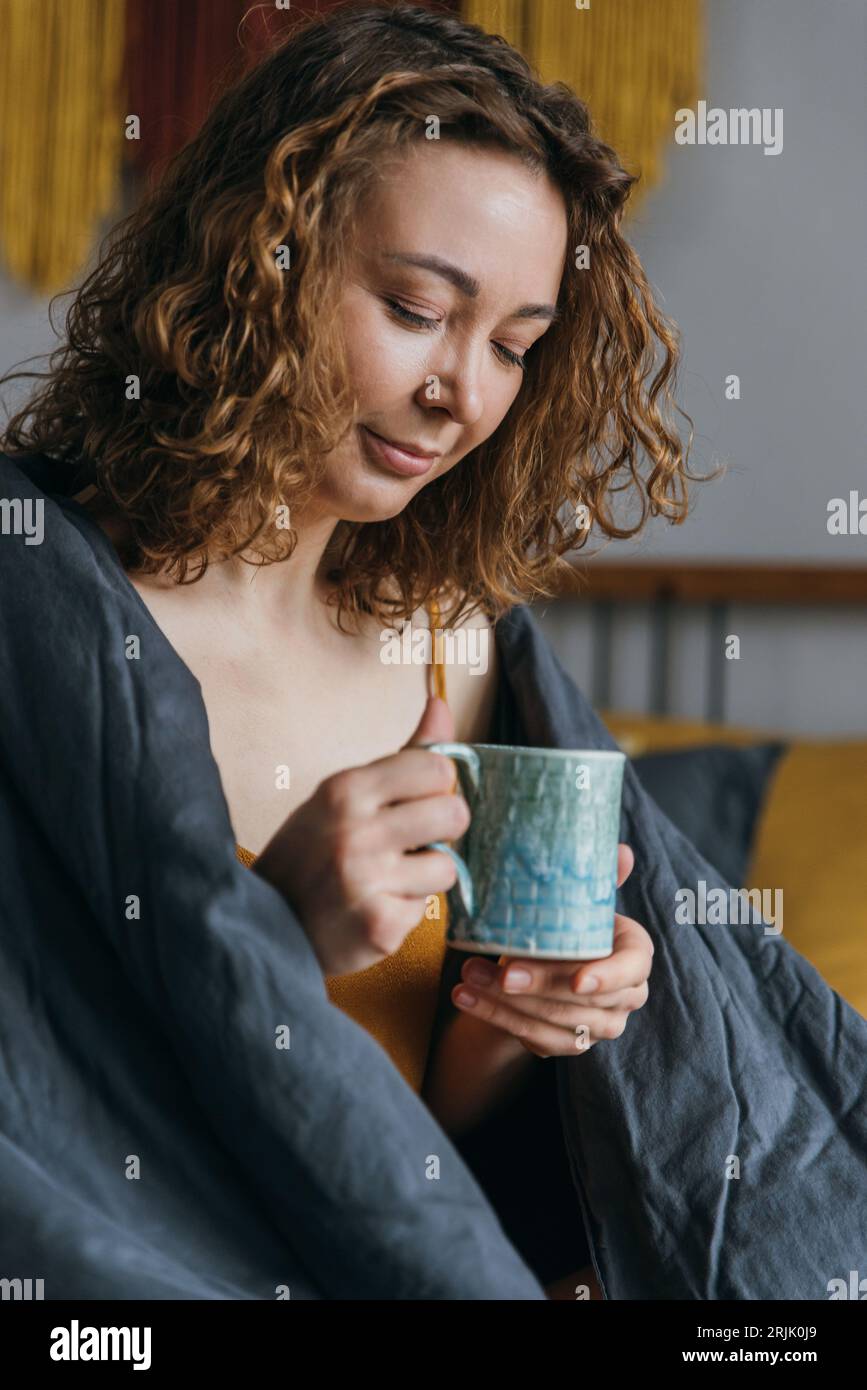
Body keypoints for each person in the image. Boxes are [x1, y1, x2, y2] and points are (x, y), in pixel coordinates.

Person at [0, 2, 696, 1298]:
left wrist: (522, 1010)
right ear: (255, 258)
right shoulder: (39, 624)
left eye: (514, 347)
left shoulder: (456, 648)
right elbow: (48, 1120)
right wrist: (272, 939)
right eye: (418, 306)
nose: (464, 395)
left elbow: (414, 1162)